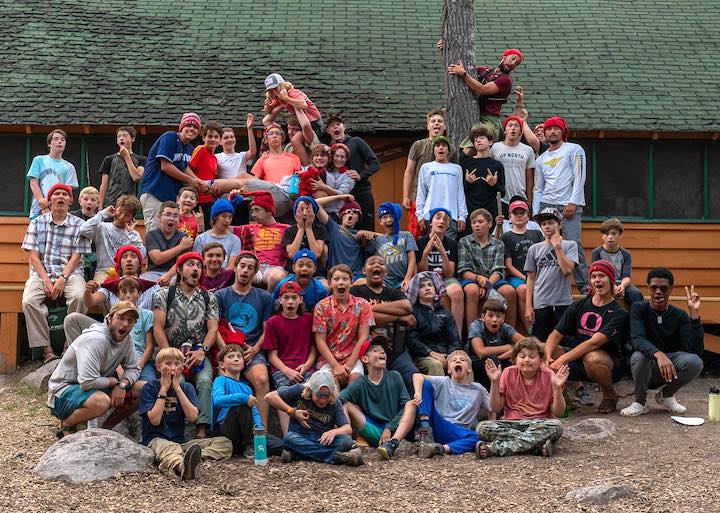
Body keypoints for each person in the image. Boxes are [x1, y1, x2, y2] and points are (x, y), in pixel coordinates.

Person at [544, 260, 629, 413]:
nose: (597, 280)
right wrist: (547, 356)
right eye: (594, 276)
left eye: (602, 276)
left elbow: (594, 343)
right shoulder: (579, 305)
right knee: (547, 350)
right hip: (578, 359)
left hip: (608, 364)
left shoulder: (619, 313)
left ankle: (610, 395)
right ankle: (562, 400)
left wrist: (563, 359)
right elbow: (555, 335)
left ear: (611, 280)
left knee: (592, 357)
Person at [47, 301, 141, 437]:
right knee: (101, 402)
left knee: (142, 388)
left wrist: (121, 384)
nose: (125, 324)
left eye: (130, 320)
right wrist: (112, 382)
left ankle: (104, 429)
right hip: (62, 392)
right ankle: (67, 423)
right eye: (121, 318)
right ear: (109, 318)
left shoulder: (127, 339)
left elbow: (134, 368)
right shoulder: (96, 339)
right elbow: (87, 382)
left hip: (95, 387)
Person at [152, 252, 220, 438]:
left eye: (199, 266)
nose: (196, 269)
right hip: (171, 350)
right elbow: (158, 327)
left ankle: (202, 428)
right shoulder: (164, 294)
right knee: (176, 381)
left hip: (197, 351)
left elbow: (213, 329)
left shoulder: (209, 297)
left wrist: (203, 351)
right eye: (190, 265)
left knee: (205, 381)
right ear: (180, 270)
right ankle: (174, 430)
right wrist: (170, 354)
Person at [620, 268, 704, 417]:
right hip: (644, 366)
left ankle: (666, 395)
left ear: (670, 290)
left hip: (669, 368)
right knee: (639, 356)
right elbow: (637, 339)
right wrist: (658, 354)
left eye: (663, 288)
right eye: (654, 288)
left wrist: (694, 315)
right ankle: (640, 402)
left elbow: (694, 350)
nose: (658, 292)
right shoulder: (638, 308)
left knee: (695, 362)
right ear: (649, 289)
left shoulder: (679, 315)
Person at [140, 347, 232, 480]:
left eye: (177, 364)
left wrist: (177, 388)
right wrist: (164, 388)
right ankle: (181, 467)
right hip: (155, 440)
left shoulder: (186, 388)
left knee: (225, 443)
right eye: (168, 364)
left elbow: (193, 417)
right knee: (170, 448)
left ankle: (190, 458)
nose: (173, 368)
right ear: (158, 367)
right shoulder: (149, 388)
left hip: (179, 442)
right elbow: (155, 420)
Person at [22, 184, 90, 363]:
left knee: (79, 297)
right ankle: (47, 350)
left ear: (70, 201)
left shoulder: (80, 224)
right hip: (41, 274)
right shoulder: (37, 223)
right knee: (29, 301)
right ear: (50, 201)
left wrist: (62, 279)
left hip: (70, 273)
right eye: (56, 194)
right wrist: (45, 280)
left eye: (65, 194)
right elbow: (34, 257)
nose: (60, 197)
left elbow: (77, 256)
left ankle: (70, 345)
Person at [476, 337, 567, 458]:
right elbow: (496, 408)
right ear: (515, 359)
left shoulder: (548, 375)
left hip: (539, 424)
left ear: (541, 360)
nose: (527, 360)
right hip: (511, 423)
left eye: (532, 356)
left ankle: (495, 448)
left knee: (556, 426)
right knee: (482, 428)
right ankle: (535, 446)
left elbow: (558, 413)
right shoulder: (508, 373)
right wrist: (494, 382)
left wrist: (557, 388)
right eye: (522, 356)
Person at [215, 251, 274, 426]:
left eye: (250, 268)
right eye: (242, 266)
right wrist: (226, 351)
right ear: (235, 268)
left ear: (255, 272)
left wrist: (255, 349)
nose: (245, 270)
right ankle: (224, 430)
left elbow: (267, 330)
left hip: (251, 351)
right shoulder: (221, 295)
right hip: (226, 349)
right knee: (225, 383)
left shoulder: (264, 297)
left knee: (262, 379)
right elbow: (214, 328)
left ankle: (260, 431)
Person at [535, 116, 589, 293]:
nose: (552, 131)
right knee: (548, 246)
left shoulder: (574, 149)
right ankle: (549, 286)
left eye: (556, 128)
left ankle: (584, 285)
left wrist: (573, 201)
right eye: (549, 129)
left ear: (562, 131)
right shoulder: (541, 159)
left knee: (573, 243)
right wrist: (536, 212)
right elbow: (538, 188)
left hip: (568, 205)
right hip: (547, 205)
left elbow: (579, 176)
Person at [350, 255, 419, 393]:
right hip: (370, 351)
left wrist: (367, 308)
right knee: (383, 381)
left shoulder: (393, 292)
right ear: (364, 271)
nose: (376, 265)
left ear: (386, 271)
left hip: (396, 350)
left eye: (381, 263)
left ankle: (418, 413)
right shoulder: (357, 291)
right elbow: (362, 318)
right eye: (371, 263)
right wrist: (399, 317)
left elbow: (407, 307)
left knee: (414, 378)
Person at [339, 342, 417, 460]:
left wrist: (389, 428)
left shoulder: (394, 376)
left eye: (383, 351)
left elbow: (404, 407)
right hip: (372, 428)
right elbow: (339, 399)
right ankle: (346, 442)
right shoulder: (360, 383)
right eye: (375, 350)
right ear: (365, 359)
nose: (382, 352)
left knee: (410, 404)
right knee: (344, 404)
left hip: (395, 431)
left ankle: (392, 444)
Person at [265, 372, 363, 466]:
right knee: (289, 439)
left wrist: (334, 432)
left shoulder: (335, 403)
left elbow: (347, 428)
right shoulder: (299, 390)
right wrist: (292, 412)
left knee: (346, 441)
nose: (323, 400)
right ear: (310, 390)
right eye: (319, 395)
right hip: (301, 437)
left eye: (327, 396)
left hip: (323, 440)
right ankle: (335, 458)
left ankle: (298, 455)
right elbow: (269, 397)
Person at [412, 350, 489, 457]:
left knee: (481, 437)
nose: (458, 361)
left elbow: (493, 408)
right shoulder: (444, 381)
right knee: (426, 383)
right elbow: (417, 376)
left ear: (469, 369)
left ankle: (438, 448)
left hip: (459, 431)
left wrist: (495, 381)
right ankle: (425, 433)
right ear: (449, 369)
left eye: (462, 360)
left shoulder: (478, 389)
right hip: (439, 424)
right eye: (454, 360)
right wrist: (418, 393)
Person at [140, 113, 208, 232]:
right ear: (181, 127)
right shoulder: (170, 137)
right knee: (155, 231)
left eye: (196, 127)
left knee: (169, 233)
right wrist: (191, 180)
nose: (192, 129)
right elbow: (165, 166)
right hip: (154, 192)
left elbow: (184, 168)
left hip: (171, 197)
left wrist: (199, 182)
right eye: (189, 125)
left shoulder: (189, 148)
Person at [265, 280, 316, 433]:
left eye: (294, 298)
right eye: (286, 298)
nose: (290, 302)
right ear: (280, 300)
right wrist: (288, 371)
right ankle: (288, 436)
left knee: (313, 390)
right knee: (283, 392)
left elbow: (313, 349)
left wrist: (306, 365)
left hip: (305, 367)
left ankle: (313, 432)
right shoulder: (273, 322)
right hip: (282, 368)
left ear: (300, 300)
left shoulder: (308, 319)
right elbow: (272, 356)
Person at [313, 264, 374, 387]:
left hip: (353, 358)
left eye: (345, 279)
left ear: (351, 283)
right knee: (329, 387)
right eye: (336, 279)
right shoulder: (321, 306)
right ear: (330, 283)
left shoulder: (362, 305)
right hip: (328, 360)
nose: (341, 283)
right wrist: (336, 366)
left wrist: (349, 365)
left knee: (356, 386)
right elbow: (320, 341)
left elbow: (364, 337)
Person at [446, 48, 524, 144]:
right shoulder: (486, 71)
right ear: (503, 57)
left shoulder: (505, 80)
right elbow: (456, 68)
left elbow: (482, 89)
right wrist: (446, 50)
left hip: (490, 122)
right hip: (477, 118)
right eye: (513, 58)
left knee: (469, 149)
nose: (513, 63)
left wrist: (464, 75)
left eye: (517, 63)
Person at [524, 207, 579, 341]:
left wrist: (557, 247)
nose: (547, 227)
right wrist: (528, 306)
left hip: (562, 302)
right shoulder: (534, 249)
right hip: (541, 302)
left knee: (565, 341)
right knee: (541, 342)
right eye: (543, 224)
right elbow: (530, 278)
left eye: (551, 223)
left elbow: (567, 270)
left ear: (559, 224)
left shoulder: (570, 245)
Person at [458, 208, 516, 330]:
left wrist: (487, 285)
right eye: (473, 223)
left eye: (480, 221)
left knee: (509, 291)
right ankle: (473, 334)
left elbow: (498, 269)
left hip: (492, 280)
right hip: (472, 278)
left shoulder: (498, 244)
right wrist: (479, 279)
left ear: (489, 224)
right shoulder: (464, 242)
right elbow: (464, 270)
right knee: (472, 290)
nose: (476, 225)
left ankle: (509, 333)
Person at [402, 109, 456, 238]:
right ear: (428, 125)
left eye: (440, 121)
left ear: (445, 125)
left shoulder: (451, 148)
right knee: (416, 235)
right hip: (419, 198)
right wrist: (405, 196)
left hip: (442, 201)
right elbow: (409, 171)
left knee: (441, 236)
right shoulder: (418, 145)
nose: (436, 124)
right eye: (433, 121)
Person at [230, 123, 301, 218]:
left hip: (287, 196)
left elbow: (298, 178)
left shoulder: (294, 158)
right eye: (271, 134)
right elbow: (255, 181)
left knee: (243, 177)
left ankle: (213, 186)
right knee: (243, 178)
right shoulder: (263, 159)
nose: (275, 136)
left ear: (282, 138)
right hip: (270, 198)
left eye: (277, 133)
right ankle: (223, 193)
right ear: (266, 139)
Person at [323, 114, 380, 231]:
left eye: (338, 124)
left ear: (344, 127)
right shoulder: (328, 149)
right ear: (328, 131)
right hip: (340, 199)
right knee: (344, 231)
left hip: (361, 193)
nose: (335, 127)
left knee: (366, 231)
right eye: (332, 126)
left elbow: (375, 164)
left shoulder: (356, 142)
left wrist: (361, 175)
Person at [211, 344, 266, 457]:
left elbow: (254, 411)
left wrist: (259, 428)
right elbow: (217, 400)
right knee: (241, 405)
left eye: (239, 357)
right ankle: (250, 446)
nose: (236, 359)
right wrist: (242, 398)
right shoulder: (220, 380)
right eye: (231, 356)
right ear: (222, 364)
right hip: (226, 431)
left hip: (245, 432)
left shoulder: (247, 388)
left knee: (274, 442)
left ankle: (289, 452)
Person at [416, 208, 464, 333]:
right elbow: (421, 271)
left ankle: (456, 336)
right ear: (431, 222)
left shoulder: (452, 244)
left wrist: (443, 251)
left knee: (457, 291)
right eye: (438, 218)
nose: (441, 221)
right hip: (426, 278)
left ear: (448, 226)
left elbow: (449, 273)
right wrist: (426, 251)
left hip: (445, 279)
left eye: (445, 220)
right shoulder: (420, 242)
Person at [405, 272, 462, 376]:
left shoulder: (445, 312)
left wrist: (450, 356)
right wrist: (431, 353)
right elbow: (411, 340)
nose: (427, 288)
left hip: (446, 353)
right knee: (436, 365)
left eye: (430, 285)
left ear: (435, 288)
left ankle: (467, 392)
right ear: (417, 291)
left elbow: (454, 339)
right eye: (422, 286)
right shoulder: (413, 313)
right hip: (423, 356)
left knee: (463, 361)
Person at [232, 191, 290, 291]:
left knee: (276, 277)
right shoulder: (250, 228)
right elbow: (224, 227)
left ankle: (268, 302)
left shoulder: (287, 229)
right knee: (240, 272)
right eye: (252, 211)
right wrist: (232, 204)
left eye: (257, 210)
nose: (253, 214)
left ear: (269, 211)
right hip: (255, 266)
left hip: (275, 268)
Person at [79, 194, 144, 283]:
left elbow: (141, 254)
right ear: (115, 209)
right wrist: (103, 214)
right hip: (104, 271)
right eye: (120, 212)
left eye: (126, 215)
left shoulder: (133, 234)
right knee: (101, 289)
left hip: (125, 273)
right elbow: (83, 229)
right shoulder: (102, 227)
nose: (121, 217)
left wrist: (131, 232)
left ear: (131, 218)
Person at [500, 199, 543, 332]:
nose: (519, 216)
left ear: (528, 216)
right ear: (510, 217)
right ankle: (530, 330)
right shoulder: (506, 237)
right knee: (524, 289)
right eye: (515, 213)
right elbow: (508, 266)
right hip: (517, 277)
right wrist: (525, 278)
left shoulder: (536, 234)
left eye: (522, 213)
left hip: (537, 275)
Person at [415, 136, 467, 239]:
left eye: (444, 145)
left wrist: (462, 217)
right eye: (438, 146)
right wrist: (420, 216)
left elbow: (460, 194)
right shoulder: (426, 167)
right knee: (431, 249)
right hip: (430, 216)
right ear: (434, 150)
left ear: (448, 150)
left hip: (451, 217)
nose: (441, 148)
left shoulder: (457, 169)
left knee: (447, 248)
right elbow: (421, 193)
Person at [467, 299, 524, 387]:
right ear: (483, 317)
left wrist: (501, 357)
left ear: (503, 318)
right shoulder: (476, 326)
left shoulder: (505, 328)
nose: (494, 320)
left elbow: (526, 343)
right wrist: (508, 348)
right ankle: (499, 392)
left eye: (498, 316)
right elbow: (480, 352)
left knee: (517, 360)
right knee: (493, 359)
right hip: (477, 364)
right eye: (490, 316)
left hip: (499, 361)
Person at [591, 218, 644, 306]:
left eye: (614, 233)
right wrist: (612, 286)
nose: (610, 237)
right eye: (607, 234)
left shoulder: (625, 254)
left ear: (620, 235)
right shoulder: (597, 253)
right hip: (603, 282)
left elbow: (627, 276)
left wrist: (622, 286)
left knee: (636, 294)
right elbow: (596, 275)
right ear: (602, 236)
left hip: (621, 283)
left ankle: (636, 318)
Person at [27, 129, 78, 219]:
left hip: (59, 210)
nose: (59, 141)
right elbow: (33, 183)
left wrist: (49, 202)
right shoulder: (39, 160)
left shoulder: (69, 167)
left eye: (62, 140)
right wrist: (43, 204)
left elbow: (68, 189)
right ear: (49, 144)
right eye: (56, 139)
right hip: (38, 208)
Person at [367, 202, 417, 291]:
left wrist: (408, 278)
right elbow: (364, 249)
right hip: (385, 282)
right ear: (380, 222)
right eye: (385, 217)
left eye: (392, 216)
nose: (389, 220)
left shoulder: (406, 235)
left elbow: (412, 258)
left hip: (403, 280)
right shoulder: (377, 241)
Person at [490, 115, 536, 213]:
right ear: (505, 130)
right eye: (510, 125)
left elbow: (530, 179)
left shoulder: (528, 150)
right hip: (499, 197)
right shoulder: (494, 147)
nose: (513, 128)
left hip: (520, 197)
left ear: (520, 132)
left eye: (516, 125)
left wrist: (530, 202)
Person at [460, 126, 505, 225]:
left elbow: (503, 192)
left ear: (490, 142)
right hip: (470, 210)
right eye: (475, 140)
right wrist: (467, 182)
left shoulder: (497, 165)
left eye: (482, 138)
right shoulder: (466, 164)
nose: (478, 141)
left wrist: (494, 184)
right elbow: (459, 191)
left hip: (490, 211)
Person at [263, 73, 324, 145]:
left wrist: (286, 98)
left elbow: (303, 105)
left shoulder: (292, 93)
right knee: (294, 140)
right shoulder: (279, 96)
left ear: (282, 85)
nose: (273, 92)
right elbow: (267, 112)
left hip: (314, 124)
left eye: (275, 88)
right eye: (270, 90)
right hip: (301, 125)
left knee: (296, 140)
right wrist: (268, 106)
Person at [116, 276, 156, 385]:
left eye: (132, 291)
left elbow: (150, 347)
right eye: (123, 292)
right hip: (116, 361)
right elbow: (109, 346)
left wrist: (139, 366)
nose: (128, 295)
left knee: (150, 385)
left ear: (139, 293)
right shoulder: (113, 317)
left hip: (141, 360)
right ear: (118, 295)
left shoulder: (147, 315)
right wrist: (118, 368)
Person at [142, 201, 193, 284]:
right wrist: (181, 247)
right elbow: (157, 259)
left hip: (175, 273)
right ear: (159, 217)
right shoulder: (152, 235)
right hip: (153, 272)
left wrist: (168, 276)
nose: (172, 219)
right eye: (168, 215)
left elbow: (180, 263)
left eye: (175, 216)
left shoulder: (183, 236)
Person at [318, 198, 367, 281]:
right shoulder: (333, 227)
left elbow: (386, 237)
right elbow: (315, 203)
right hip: (336, 275)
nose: (351, 213)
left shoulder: (361, 234)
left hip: (356, 277)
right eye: (347, 211)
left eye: (355, 212)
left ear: (358, 218)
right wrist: (341, 197)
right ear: (341, 215)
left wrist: (369, 234)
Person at [98, 126, 147, 208]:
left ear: (132, 139)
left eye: (124, 135)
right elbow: (104, 185)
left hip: (129, 204)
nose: (121, 138)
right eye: (119, 136)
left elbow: (136, 176)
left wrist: (126, 156)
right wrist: (100, 205)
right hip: (110, 203)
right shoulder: (109, 159)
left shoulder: (141, 159)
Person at [281, 196, 329, 274]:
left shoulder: (321, 229)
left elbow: (316, 254)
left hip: (316, 272)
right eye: (301, 209)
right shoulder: (289, 231)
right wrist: (301, 229)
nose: (305, 213)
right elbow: (292, 254)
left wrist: (308, 228)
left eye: (308, 210)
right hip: (293, 272)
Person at [189, 121, 223, 221]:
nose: (213, 139)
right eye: (210, 136)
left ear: (220, 140)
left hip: (209, 201)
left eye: (216, 137)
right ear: (204, 138)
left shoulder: (215, 159)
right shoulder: (201, 150)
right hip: (196, 200)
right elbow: (188, 170)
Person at [193, 199, 242, 268]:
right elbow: (197, 265)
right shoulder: (201, 239)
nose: (227, 221)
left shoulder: (235, 240)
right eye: (224, 216)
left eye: (230, 217)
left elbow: (231, 267)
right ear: (215, 218)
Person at [70, 186, 100, 281]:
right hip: (76, 253)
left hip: (94, 255)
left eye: (93, 200)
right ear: (80, 201)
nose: (89, 202)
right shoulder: (72, 216)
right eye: (86, 199)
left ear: (98, 203)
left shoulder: (100, 220)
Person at [215, 115, 257, 181]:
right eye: (226, 138)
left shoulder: (241, 156)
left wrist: (249, 129)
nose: (230, 140)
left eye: (232, 137)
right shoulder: (216, 157)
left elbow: (253, 151)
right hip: (225, 189)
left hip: (241, 189)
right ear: (220, 142)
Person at [321, 143, 356, 217]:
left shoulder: (349, 176)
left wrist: (323, 187)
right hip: (318, 209)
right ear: (332, 157)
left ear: (346, 159)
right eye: (337, 156)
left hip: (333, 213)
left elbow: (342, 194)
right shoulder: (324, 169)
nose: (339, 159)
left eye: (342, 157)